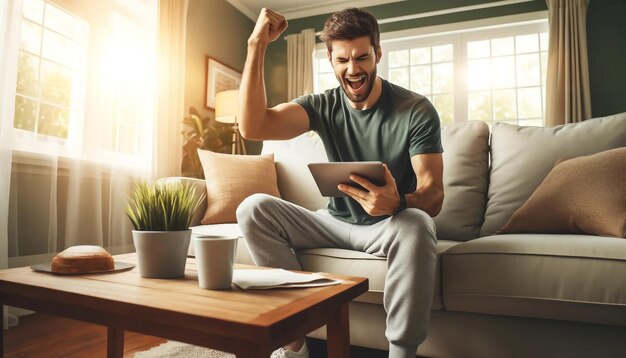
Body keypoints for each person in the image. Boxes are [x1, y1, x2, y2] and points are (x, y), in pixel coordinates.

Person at [236, 7, 444, 358]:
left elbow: (434, 195)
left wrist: (398, 203)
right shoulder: (322, 105)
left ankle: (402, 353)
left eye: (362, 57)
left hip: (388, 225)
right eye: (342, 60)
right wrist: (256, 45)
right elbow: (254, 127)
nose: (353, 69)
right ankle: (295, 346)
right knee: (253, 208)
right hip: (332, 222)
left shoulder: (416, 110)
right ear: (330, 60)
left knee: (418, 224)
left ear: (378, 53)